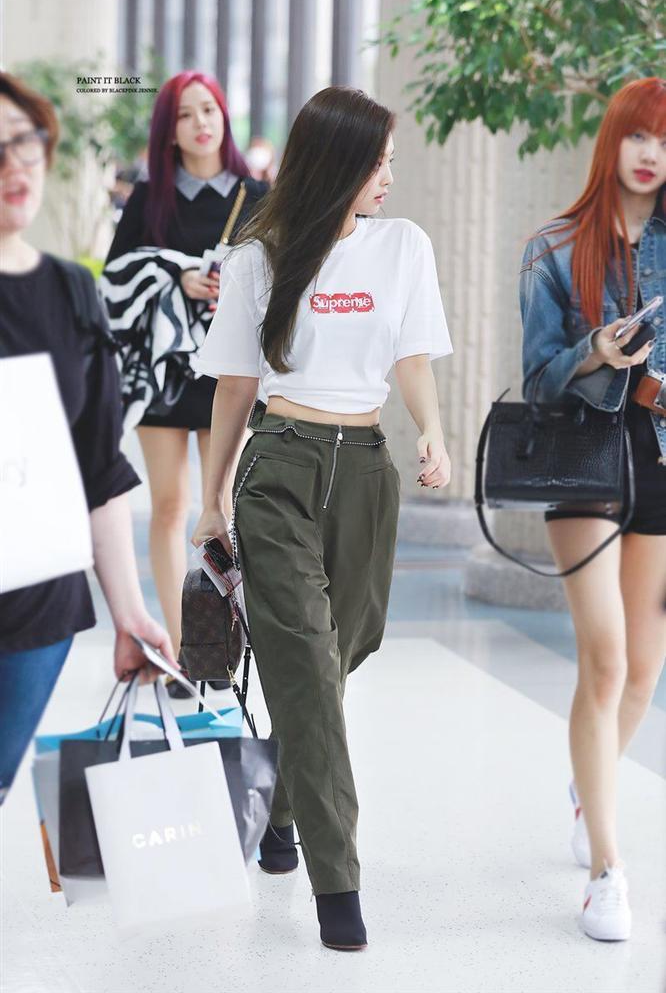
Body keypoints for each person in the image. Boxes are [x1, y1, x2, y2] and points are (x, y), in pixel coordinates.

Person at [191, 86, 453, 950]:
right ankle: (337, 886)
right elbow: (235, 385)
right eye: (376, 163)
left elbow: (412, 355)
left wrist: (433, 432)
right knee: (305, 659)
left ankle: (279, 806)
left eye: (390, 162)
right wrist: (210, 500)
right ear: (335, 163)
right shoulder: (257, 258)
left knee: (344, 651)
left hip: (368, 468)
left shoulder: (403, 246)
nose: (389, 177)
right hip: (281, 466)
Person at [0, 73, 174, 804]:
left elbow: (98, 466)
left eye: (23, 141)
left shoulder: (72, 293)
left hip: (37, 606)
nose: (13, 164)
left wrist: (128, 611)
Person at [521, 77, 666, 942]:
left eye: (665, 140)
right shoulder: (554, 247)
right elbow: (537, 376)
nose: (652, 154)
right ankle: (607, 872)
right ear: (613, 141)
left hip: (659, 459)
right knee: (604, 660)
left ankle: (590, 784)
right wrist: (595, 352)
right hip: (581, 458)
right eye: (640, 135)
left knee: (644, 669)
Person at [101, 72, 268, 693]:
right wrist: (176, 275)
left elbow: (282, 270)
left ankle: (219, 644)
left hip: (230, 371)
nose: (202, 124)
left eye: (211, 110)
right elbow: (116, 275)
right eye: (186, 114)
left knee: (221, 506)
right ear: (168, 130)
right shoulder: (152, 197)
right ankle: (182, 653)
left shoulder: (256, 194)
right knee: (169, 506)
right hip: (166, 372)